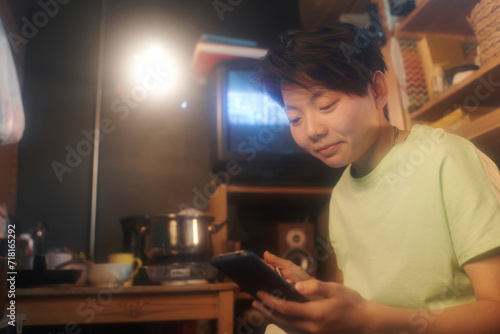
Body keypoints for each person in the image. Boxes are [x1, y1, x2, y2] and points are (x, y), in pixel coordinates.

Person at [252, 22, 500, 334]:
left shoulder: (446, 159)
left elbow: (496, 311)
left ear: (378, 91)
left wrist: (370, 320)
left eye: (326, 105)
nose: (312, 130)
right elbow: (365, 303)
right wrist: (317, 295)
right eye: (295, 118)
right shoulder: (342, 193)